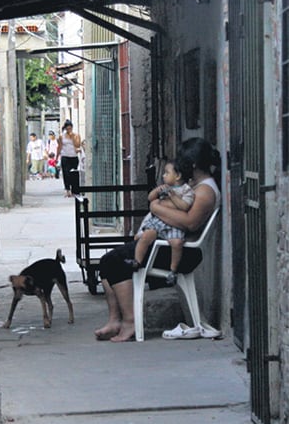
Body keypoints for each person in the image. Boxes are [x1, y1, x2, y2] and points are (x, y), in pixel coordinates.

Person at [93, 138, 221, 343]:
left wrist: (156, 208)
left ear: (193, 164)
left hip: (181, 252)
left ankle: (129, 322)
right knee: (108, 260)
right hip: (164, 244)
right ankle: (115, 320)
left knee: (116, 261)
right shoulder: (193, 186)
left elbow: (190, 223)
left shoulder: (205, 191)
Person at [126, 160, 195, 282]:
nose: (163, 175)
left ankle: (173, 271)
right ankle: (137, 261)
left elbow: (184, 206)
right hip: (159, 221)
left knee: (177, 243)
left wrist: (172, 196)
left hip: (174, 224)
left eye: (167, 173)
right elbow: (150, 198)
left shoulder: (186, 190)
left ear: (178, 176)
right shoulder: (164, 188)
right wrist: (156, 191)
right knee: (147, 236)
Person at [58, 120, 83, 197]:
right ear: (65, 129)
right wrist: (57, 156)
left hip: (73, 156)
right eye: (68, 129)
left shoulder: (76, 135)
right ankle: (67, 189)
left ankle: (74, 190)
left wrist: (73, 137)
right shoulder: (62, 136)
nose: (69, 130)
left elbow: (78, 145)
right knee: (66, 173)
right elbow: (60, 146)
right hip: (65, 156)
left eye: (70, 128)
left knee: (74, 174)